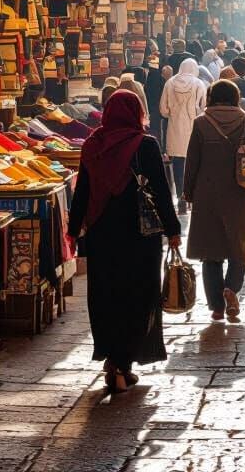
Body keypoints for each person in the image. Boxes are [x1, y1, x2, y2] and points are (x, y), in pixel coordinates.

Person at [67, 90, 180, 393]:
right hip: (140, 237)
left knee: (107, 295)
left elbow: (83, 190)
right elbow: (160, 191)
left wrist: (72, 228)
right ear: (137, 111)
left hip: (102, 233)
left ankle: (112, 357)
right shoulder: (145, 145)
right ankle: (122, 364)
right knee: (137, 295)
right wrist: (173, 229)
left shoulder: (94, 144)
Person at [183, 79, 245, 322]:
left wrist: (188, 192)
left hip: (207, 194)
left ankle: (217, 307)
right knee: (238, 246)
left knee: (211, 251)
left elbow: (192, 161)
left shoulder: (201, 123)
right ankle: (231, 289)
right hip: (240, 192)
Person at [160, 57, 207, 212]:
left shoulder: (170, 83)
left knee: (178, 166)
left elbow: (163, 110)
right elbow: (204, 108)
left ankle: (181, 196)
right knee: (195, 164)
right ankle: (192, 196)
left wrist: (174, 114)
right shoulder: (199, 84)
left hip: (174, 131)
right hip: (194, 130)